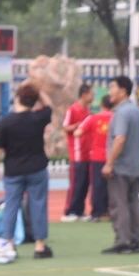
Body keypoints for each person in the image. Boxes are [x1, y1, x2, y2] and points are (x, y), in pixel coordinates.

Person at [0, 82, 53, 259]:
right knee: (38, 205)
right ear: (34, 101)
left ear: (17, 98)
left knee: (11, 205)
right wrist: (38, 91)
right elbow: (49, 106)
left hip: (13, 169)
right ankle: (40, 245)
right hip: (37, 167)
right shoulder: (38, 118)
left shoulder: (7, 121)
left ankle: (9, 242)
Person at [102, 76, 139, 253]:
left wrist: (109, 163)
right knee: (133, 203)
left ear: (123, 91)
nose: (110, 91)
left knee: (119, 204)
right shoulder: (136, 111)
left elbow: (119, 139)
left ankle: (123, 241)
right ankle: (135, 240)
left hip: (120, 166)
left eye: (113, 87)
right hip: (134, 165)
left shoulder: (121, 113)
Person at [61, 83, 93, 222]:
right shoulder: (73, 109)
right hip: (77, 153)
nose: (93, 97)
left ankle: (80, 210)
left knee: (85, 183)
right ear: (84, 94)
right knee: (76, 183)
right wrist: (77, 126)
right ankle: (69, 211)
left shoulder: (88, 110)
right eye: (91, 94)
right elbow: (65, 127)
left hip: (87, 152)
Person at [79, 96, 112, 220]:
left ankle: (97, 212)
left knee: (97, 185)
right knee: (111, 185)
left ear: (102, 105)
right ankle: (109, 211)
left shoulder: (93, 118)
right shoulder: (116, 117)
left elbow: (78, 132)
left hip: (97, 156)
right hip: (112, 156)